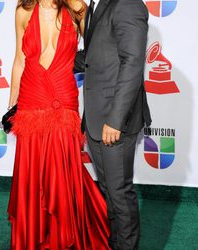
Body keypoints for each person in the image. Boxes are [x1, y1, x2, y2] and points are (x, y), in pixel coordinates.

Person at [7, 0, 111, 249]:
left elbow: (98, 40)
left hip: (63, 98)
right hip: (31, 98)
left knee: (62, 168)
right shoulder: (23, 12)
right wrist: (11, 106)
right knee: (33, 170)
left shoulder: (76, 11)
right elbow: (19, 61)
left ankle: (65, 237)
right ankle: (34, 235)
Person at [82, 0, 152, 249]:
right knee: (110, 191)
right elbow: (92, 59)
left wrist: (115, 120)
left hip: (114, 121)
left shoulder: (127, 4)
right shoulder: (95, 6)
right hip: (96, 118)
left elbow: (133, 63)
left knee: (119, 193)